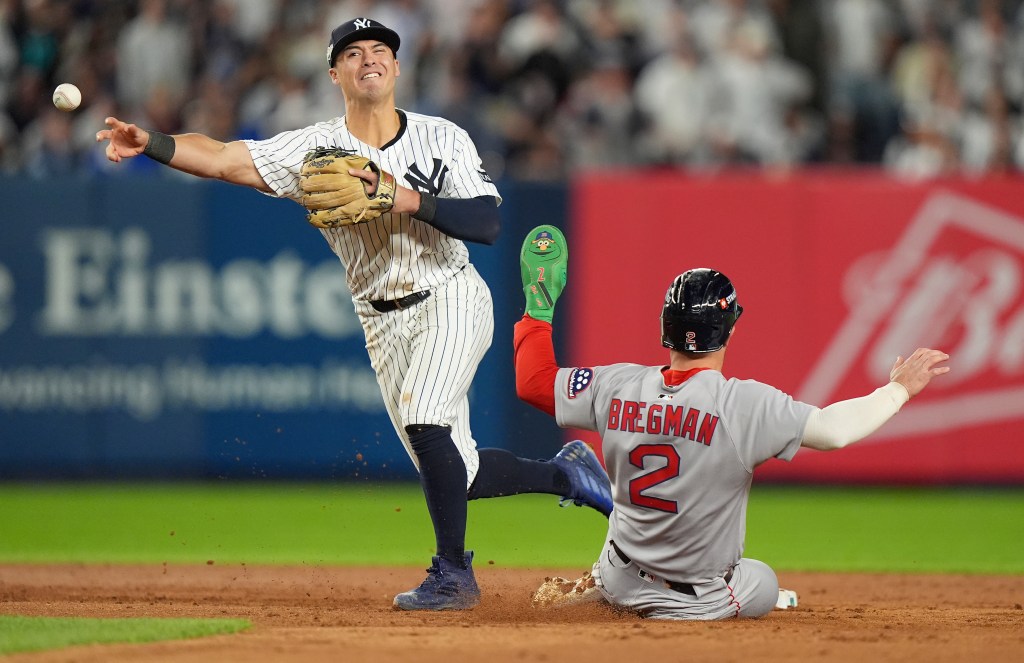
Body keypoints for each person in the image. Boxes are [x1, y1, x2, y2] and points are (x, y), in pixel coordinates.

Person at [96, 18, 612, 612]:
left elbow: (488, 224)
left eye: (381, 51)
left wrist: (400, 196)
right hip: (380, 321)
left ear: (396, 68)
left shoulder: (443, 137)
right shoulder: (314, 147)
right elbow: (222, 158)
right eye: (353, 51)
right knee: (456, 472)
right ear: (334, 71)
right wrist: (152, 144)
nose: (369, 58)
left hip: (450, 292)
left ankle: (453, 574)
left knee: (425, 420)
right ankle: (565, 474)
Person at [514, 224, 951, 620]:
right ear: (729, 329)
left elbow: (535, 383)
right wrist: (898, 390)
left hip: (619, 576)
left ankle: (604, 586)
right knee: (765, 581)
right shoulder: (743, 404)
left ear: (665, 326)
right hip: (693, 601)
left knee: (629, 552)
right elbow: (835, 430)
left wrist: (539, 308)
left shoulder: (618, 385)